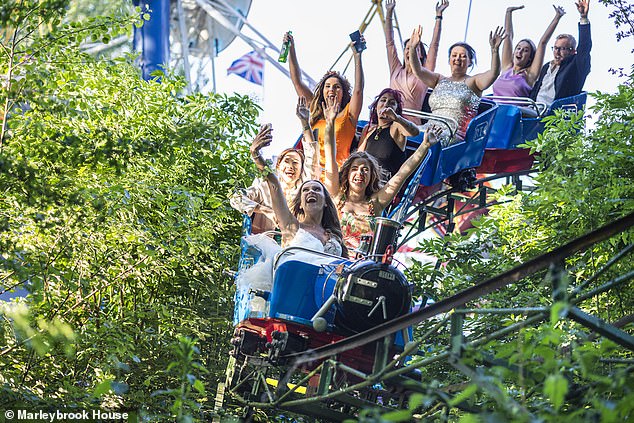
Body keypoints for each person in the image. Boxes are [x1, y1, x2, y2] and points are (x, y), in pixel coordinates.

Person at [322, 97, 442, 251]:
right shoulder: (336, 195)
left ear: (371, 177)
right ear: (347, 173)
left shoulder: (375, 203)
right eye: (355, 169)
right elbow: (330, 156)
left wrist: (424, 146)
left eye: (365, 170)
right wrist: (330, 123)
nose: (360, 173)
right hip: (330, 256)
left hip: (357, 263)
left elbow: (402, 173)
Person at [250, 123, 346, 257]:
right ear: (300, 203)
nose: (311, 191)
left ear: (325, 201)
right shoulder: (291, 226)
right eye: (305, 190)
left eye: (317, 189)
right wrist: (256, 155)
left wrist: (306, 123)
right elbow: (274, 183)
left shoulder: (333, 234)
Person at [230, 97, 319, 233]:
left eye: (295, 163)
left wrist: (305, 123)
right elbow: (235, 198)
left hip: (295, 245)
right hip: (266, 244)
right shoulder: (264, 188)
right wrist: (264, 210)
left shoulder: (303, 188)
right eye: (287, 161)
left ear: (302, 169)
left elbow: (312, 156)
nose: (290, 166)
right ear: (278, 167)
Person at [409, 26, 506, 146]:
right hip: (429, 128)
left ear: (470, 62)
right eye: (454, 55)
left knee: (431, 140)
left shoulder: (474, 81)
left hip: (453, 134)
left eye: (463, 56)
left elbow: (493, 73)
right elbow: (418, 70)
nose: (457, 59)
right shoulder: (439, 79)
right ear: (449, 59)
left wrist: (495, 51)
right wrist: (413, 48)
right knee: (402, 133)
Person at [284, 32, 365, 168]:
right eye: (327, 86)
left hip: (335, 173)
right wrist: (291, 49)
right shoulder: (315, 108)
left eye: (337, 87)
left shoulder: (349, 114)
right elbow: (297, 81)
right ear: (322, 91)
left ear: (343, 93)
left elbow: (358, 89)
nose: (331, 90)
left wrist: (357, 56)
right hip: (311, 172)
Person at [383, 0, 449, 124]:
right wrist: (389, 12)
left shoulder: (424, 72)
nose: (409, 51)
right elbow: (389, 42)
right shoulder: (396, 69)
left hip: (411, 125)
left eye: (414, 48)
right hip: (391, 121)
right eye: (407, 48)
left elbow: (434, 45)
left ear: (420, 54)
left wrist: (438, 16)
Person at [492, 5, 566, 98]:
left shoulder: (530, 74)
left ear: (530, 57)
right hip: (496, 109)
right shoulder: (506, 68)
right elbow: (508, 36)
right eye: (518, 48)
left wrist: (557, 17)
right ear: (514, 52)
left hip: (515, 111)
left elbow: (542, 43)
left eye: (525, 50)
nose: (520, 51)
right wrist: (508, 13)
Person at [530, 0, 591, 105]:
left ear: (572, 51)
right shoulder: (546, 67)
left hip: (556, 114)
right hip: (534, 112)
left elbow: (584, 48)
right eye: (555, 48)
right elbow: (536, 90)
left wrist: (583, 18)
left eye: (562, 49)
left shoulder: (576, 66)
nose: (557, 52)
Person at [357, 88, 420, 179]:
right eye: (383, 100)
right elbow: (359, 155)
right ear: (376, 107)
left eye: (391, 103)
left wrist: (396, 118)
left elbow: (415, 132)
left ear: (396, 109)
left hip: (384, 183)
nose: (386, 104)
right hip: (365, 178)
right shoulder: (368, 128)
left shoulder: (396, 127)